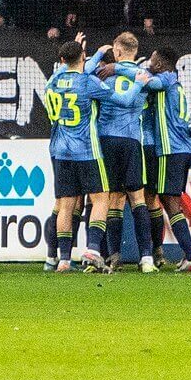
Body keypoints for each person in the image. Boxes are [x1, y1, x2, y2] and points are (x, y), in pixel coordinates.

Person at [43, 37, 148, 273]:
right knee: (101, 197)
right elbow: (125, 100)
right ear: (82, 57)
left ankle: (63, 260)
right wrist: (139, 83)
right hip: (86, 150)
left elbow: (71, 70)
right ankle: (92, 248)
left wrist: (90, 53)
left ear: (61, 60)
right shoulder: (88, 83)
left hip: (59, 151)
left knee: (66, 205)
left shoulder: (51, 82)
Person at [110, 45, 191, 272]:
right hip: (183, 148)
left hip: (172, 149)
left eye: (151, 60)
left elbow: (146, 80)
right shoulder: (174, 81)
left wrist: (116, 67)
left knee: (169, 202)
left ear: (159, 65)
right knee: (164, 199)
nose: (147, 64)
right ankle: (186, 252)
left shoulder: (166, 80)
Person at [93, 32, 157, 273]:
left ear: (117, 52)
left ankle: (114, 255)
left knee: (114, 200)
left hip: (107, 140)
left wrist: (112, 67)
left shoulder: (104, 76)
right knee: (138, 198)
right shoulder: (143, 76)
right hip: (132, 140)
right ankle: (147, 258)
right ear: (136, 52)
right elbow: (152, 83)